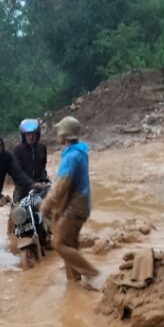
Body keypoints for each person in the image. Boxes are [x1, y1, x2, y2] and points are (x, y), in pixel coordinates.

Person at [40, 116, 100, 290]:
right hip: (79, 204)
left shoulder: (71, 157)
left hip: (76, 206)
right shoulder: (78, 152)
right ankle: (74, 284)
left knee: (58, 244)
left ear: (64, 134)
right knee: (69, 245)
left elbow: (60, 186)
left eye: (59, 131)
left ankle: (91, 272)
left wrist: (46, 205)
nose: (56, 134)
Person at [12, 119, 50, 202]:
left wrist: (45, 180)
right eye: (28, 134)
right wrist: (32, 184)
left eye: (33, 133)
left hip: (40, 186)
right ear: (23, 135)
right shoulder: (17, 150)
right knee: (18, 212)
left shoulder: (42, 148)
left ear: (38, 134)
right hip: (22, 188)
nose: (31, 136)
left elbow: (42, 167)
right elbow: (18, 173)